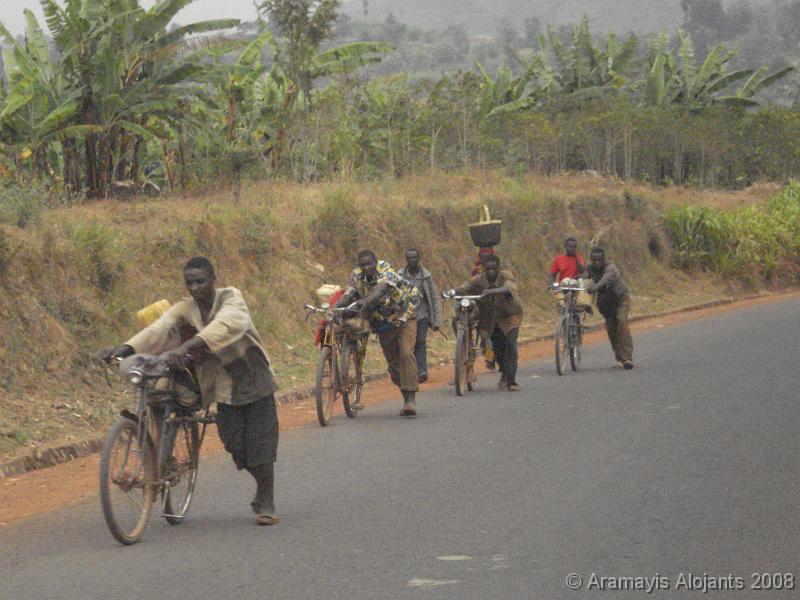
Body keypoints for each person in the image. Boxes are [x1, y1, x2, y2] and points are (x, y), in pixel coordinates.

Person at [104, 257, 280, 526]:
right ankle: (257, 481)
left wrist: (185, 348)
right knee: (235, 445)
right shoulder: (186, 308)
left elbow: (226, 325)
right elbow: (159, 328)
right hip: (224, 383)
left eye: (200, 281)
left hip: (252, 375)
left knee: (260, 444)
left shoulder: (232, 299)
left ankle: (266, 498)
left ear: (213, 280)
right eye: (190, 283)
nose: (195, 287)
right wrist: (125, 349)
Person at [334, 250, 422, 416]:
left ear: (376, 262)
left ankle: (411, 400)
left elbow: (381, 289)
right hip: (383, 323)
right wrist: (334, 308)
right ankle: (405, 394)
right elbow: (350, 293)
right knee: (393, 363)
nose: (366, 267)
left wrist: (365, 301)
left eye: (369, 264)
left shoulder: (386, 270)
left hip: (404, 316)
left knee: (405, 353)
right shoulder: (356, 276)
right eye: (363, 265)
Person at [447, 254, 523, 391]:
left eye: (494, 269)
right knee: (497, 348)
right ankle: (504, 372)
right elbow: (465, 286)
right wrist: (452, 292)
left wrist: (492, 291)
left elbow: (510, 287)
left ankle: (511, 381)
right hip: (492, 318)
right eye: (488, 269)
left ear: (498, 268)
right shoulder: (480, 279)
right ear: (484, 269)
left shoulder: (505, 275)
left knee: (511, 346)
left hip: (510, 316)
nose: (491, 272)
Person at [584, 247, 634, 370]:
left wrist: (594, 288)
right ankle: (619, 358)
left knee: (622, 322)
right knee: (611, 328)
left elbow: (604, 280)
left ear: (604, 259)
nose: (597, 263)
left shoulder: (611, 267)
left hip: (620, 298)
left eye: (599, 260)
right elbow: (584, 277)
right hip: (606, 302)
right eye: (594, 260)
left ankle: (627, 358)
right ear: (591, 260)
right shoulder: (590, 267)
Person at [398, 249, 442, 383]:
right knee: (408, 345)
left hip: (422, 314)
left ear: (418, 258)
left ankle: (422, 370)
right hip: (405, 315)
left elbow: (434, 298)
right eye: (409, 258)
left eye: (414, 257)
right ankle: (411, 371)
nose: (411, 260)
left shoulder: (426, 276)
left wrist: (436, 320)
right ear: (406, 260)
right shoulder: (400, 276)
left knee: (420, 341)